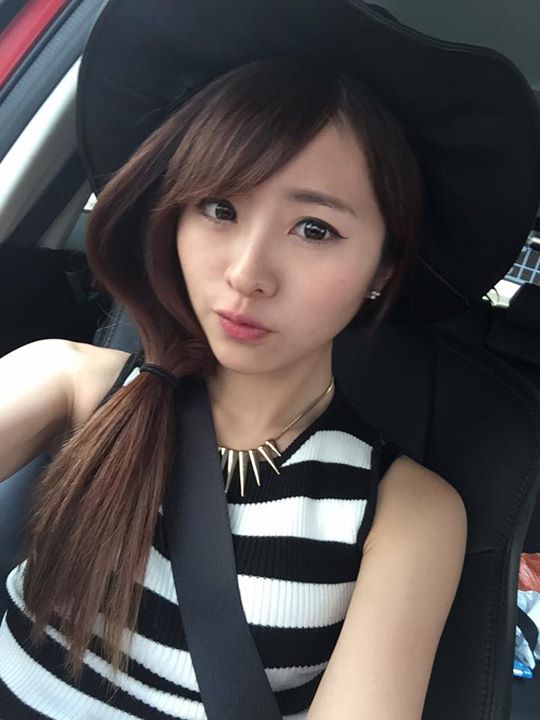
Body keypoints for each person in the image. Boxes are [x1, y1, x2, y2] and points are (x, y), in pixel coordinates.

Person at [3, 0, 538, 716]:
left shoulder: (406, 514)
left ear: (383, 268)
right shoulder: (71, 382)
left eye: (314, 229)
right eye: (219, 209)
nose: (247, 273)